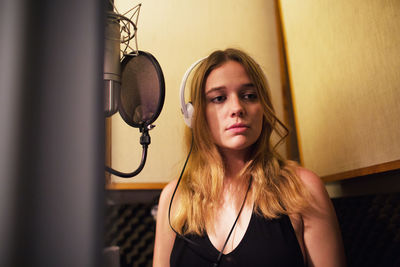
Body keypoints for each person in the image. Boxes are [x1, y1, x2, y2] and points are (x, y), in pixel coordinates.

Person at [153, 48, 346, 267]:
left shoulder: (303, 188)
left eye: (249, 96)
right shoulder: (174, 197)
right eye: (218, 98)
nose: (237, 108)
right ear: (195, 115)